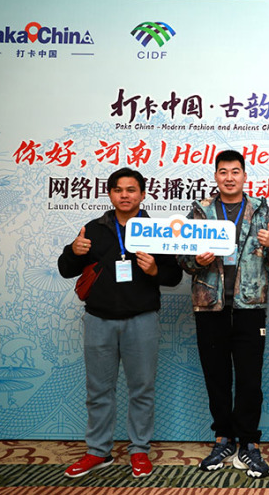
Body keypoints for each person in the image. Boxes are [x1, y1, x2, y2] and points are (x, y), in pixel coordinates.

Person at [58, 168, 182, 479]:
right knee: (98, 390)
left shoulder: (157, 231)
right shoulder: (94, 228)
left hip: (142, 319)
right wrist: (73, 252)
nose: (124, 195)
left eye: (131, 189)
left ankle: (139, 449)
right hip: (98, 319)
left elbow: (175, 276)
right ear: (110, 194)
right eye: (118, 190)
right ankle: (98, 451)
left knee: (142, 389)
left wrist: (155, 270)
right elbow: (66, 269)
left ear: (143, 194)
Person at [176, 149, 269, 479]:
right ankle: (223, 439)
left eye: (235, 171)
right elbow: (182, 259)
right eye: (223, 172)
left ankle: (248, 444)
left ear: (244, 176)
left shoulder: (261, 210)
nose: (229, 177)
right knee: (217, 377)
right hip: (209, 305)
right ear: (215, 176)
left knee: (250, 380)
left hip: (249, 306)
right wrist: (196, 260)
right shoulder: (201, 212)